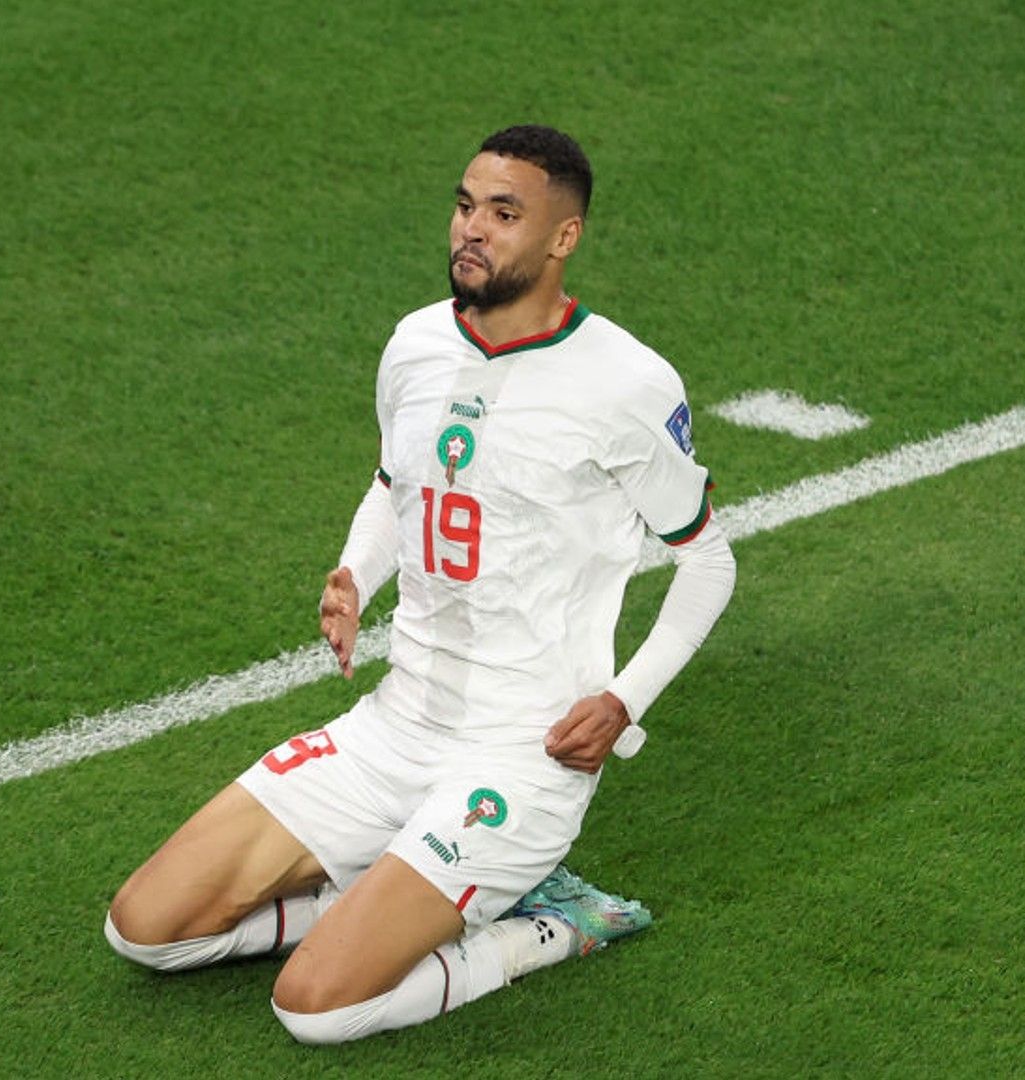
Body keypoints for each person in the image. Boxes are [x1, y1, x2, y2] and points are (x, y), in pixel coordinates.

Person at [104, 125, 737, 1045]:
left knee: (316, 1008)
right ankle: (382, 891)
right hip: (395, 729)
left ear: (564, 238)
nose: (471, 230)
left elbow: (708, 560)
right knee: (144, 930)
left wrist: (622, 700)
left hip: (523, 754)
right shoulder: (414, 345)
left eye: (505, 214)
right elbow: (396, 485)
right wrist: (357, 574)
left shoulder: (625, 384)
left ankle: (542, 928)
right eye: (465, 204)